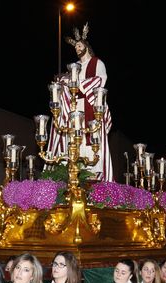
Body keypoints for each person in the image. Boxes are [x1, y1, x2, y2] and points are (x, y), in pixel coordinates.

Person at [48, 22, 113, 181]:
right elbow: (67, 82)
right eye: (75, 46)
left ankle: (94, 178)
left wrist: (79, 84)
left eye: (79, 45)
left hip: (90, 106)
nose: (77, 48)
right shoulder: (74, 66)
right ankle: (72, 176)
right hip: (74, 109)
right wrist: (62, 82)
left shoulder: (97, 63)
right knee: (75, 142)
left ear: (86, 45)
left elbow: (100, 81)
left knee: (91, 143)